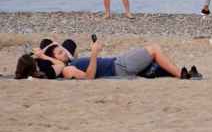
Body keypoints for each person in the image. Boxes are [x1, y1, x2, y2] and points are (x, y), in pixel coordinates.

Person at [44, 39, 201, 80]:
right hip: (119, 66)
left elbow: (60, 48)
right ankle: (181, 74)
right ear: (54, 60)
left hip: (119, 62)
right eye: (59, 53)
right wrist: (93, 53)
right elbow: (88, 78)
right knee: (153, 49)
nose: (64, 53)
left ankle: (182, 72)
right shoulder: (67, 69)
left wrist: (43, 54)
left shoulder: (70, 62)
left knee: (155, 63)